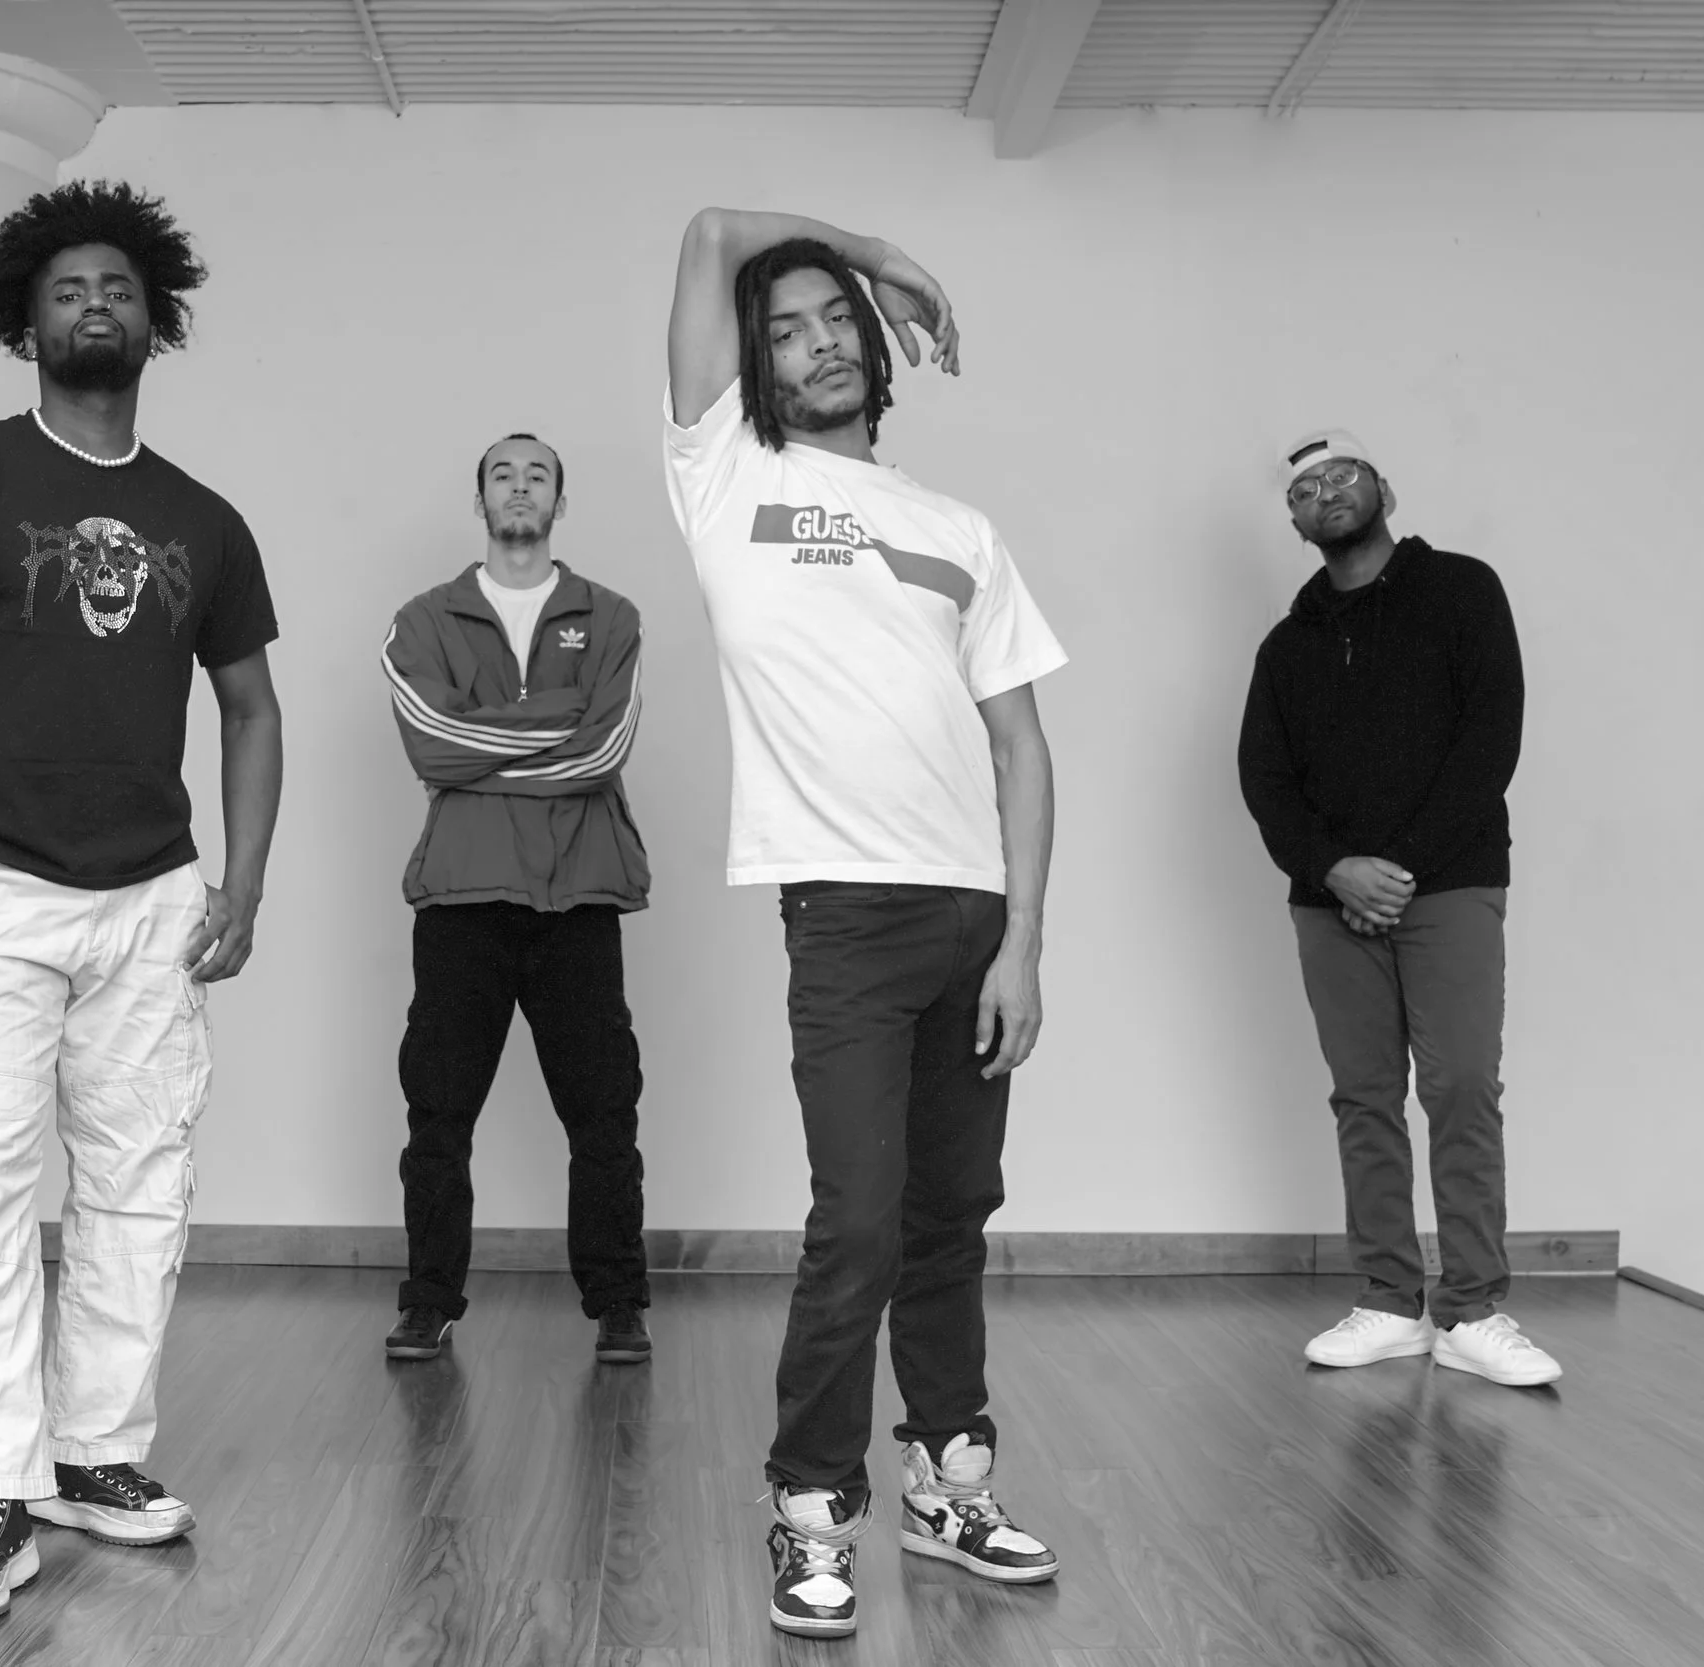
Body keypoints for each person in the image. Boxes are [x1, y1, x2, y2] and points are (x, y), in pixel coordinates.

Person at [0, 181, 284, 1620]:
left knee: (142, 1185)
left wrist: (245, 880)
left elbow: (254, 708)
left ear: (159, 320)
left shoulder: (202, 517)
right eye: (70, 288)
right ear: (25, 318)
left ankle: (99, 1455)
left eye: (121, 289)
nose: (97, 305)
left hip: (153, 896)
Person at [660, 208, 1067, 1639]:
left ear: (878, 356)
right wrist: (884, 251)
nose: (821, 340)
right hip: (843, 914)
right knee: (862, 1221)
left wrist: (1022, 941)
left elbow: (1022, 748)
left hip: (973, 917)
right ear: (753, 371)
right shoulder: (724, 475)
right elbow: (714, 228)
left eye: (843, 318)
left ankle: (950, 1478)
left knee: (954, 1215)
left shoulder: (961, 531)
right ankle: (809, 1502)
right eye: (790, 327)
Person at [1237, 429, 1559, 1389]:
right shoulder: (1286, 645)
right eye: (1304, 489)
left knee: (1461, 1085)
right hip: (1328, 900)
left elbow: (1490, 734)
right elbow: (1264, 777)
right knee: (1363, 1096)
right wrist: (1337, 869)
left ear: (1384, 486)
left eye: (1342, 475)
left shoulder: (1463, 590)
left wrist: (1399, 870)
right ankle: (1388, 1299)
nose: (1325, 493)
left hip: (1451, 883)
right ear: (1294, 521)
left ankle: (1471, 1310)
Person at [378, 433, 653, 1365]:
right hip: (463, 896)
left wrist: (484, 741)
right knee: (438, 1114)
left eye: (538, 475)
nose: (521, 487)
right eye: (504, 474)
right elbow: (430, 747)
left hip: (580, 896)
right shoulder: (424, 618)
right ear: (482, 502)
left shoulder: (611, 615)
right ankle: (428, 1301)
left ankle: (619, 1302)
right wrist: (550, 719)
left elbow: (601, 752)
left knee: (603, 1112)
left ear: (559, 503)